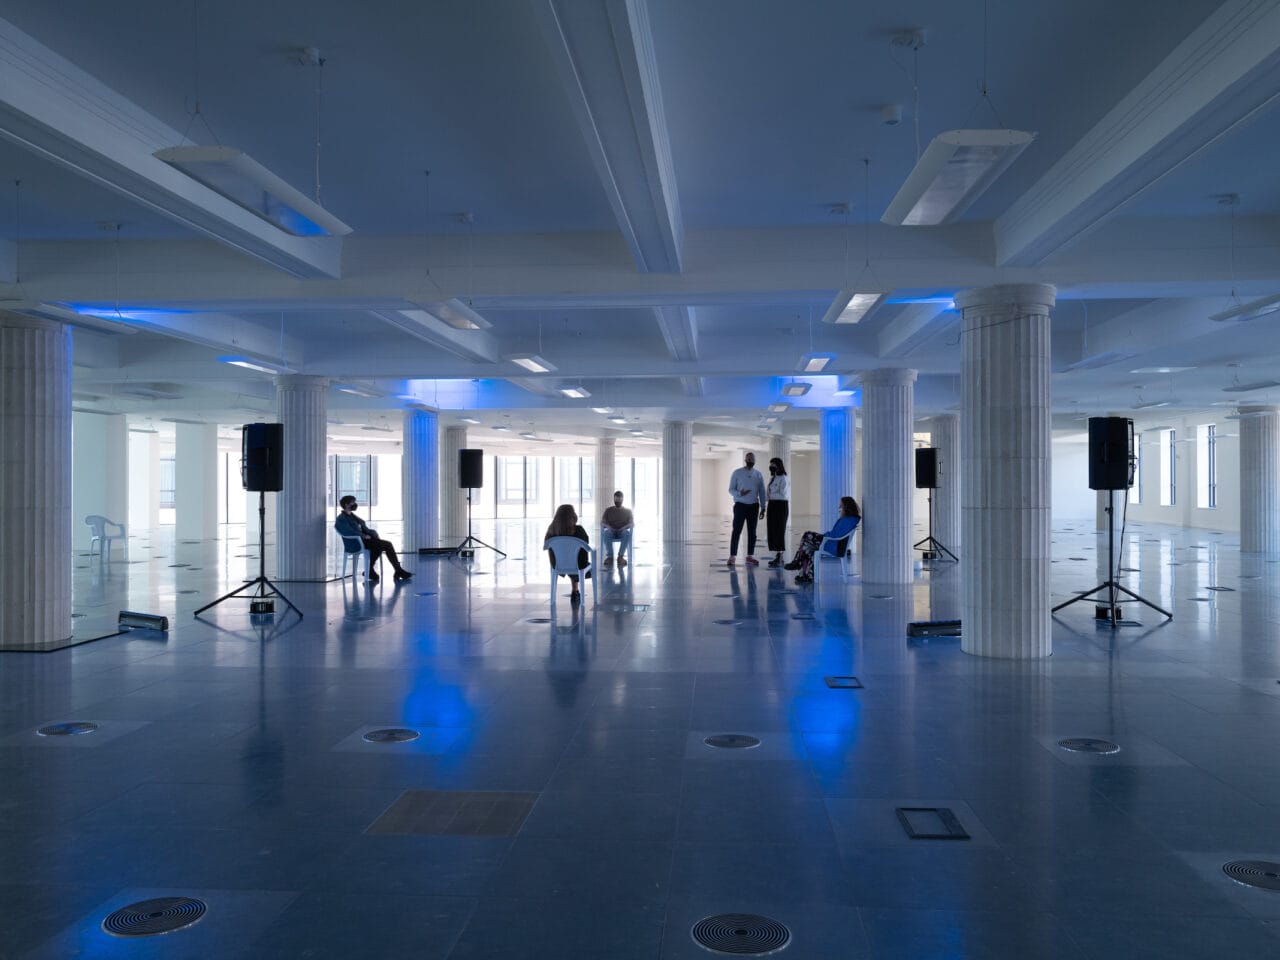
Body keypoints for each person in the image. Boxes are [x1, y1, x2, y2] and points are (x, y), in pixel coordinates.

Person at [335, 495, 412, 582]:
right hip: (356, 543)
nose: (355, 504)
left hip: (366, 541)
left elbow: (366, 529)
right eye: (352, 502)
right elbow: (347, 531)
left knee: (387, 544)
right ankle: (375, 570)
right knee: (381, 545)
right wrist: (363, 536)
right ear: (346, 504)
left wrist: (374, 534)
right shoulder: (341, 518)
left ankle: (396, 570)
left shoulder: (353, 516)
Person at [785, 496, 861, 583]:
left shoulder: (848, 520)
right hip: (832, 542)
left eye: (841, 505)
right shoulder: (849, 519)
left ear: (846, 507)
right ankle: (806, 575)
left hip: (833, 545)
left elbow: (836, 535)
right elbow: (836, 534)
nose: (839, 507)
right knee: (807, 546)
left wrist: (824, 536)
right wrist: (825, 535)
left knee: (807, 535)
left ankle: (798, 562)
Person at [727, 450, 767, 565]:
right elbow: (731, 489)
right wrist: (740, 493)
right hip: (740, 506)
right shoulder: (737, 473)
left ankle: (750, 555)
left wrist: (763, 507)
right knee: (736, 531)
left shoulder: (758, 474)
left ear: (755, 461)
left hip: (754, 507)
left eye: (752, 459)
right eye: (748, 459)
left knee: (752, 532)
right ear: (745, 460)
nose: (750, 461)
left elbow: (762, 492)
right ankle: (732, 556)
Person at [545, 503, 590, 603]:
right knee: (575, 561)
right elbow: (586, 545)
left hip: (557, 565)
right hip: (579, 565)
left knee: (568, 560)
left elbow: (547, 546)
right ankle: (575, 591)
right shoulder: (579, 530)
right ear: (572, 516)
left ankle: (575, 590)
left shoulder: (551, 531)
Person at [765, 457, 790, 567]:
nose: (771, 467)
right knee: (772, 530)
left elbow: (783, 494)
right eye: (771, 465)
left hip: (780, 505)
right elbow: (768, 492)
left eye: (773, 465)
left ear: (779, 465)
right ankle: (777, 555)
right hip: (772, 505)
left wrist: (770, 496)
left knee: (779, 530)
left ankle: (780, 556)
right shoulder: (773, 478)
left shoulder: (784, 478)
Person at [600, 490, 634, 568]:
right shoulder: (608, 510)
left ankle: (620, 557)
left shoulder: (628, 511)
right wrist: (608, 527)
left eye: (620, 499)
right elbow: (602, 523)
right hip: (611, 530)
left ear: (622, 500)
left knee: (626, 534)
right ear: (614, 499)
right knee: (606, 533)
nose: (618, 501)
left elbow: (632, 523)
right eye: (616, 500)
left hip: (622, 530)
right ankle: (610, 557)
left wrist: (623, 528)